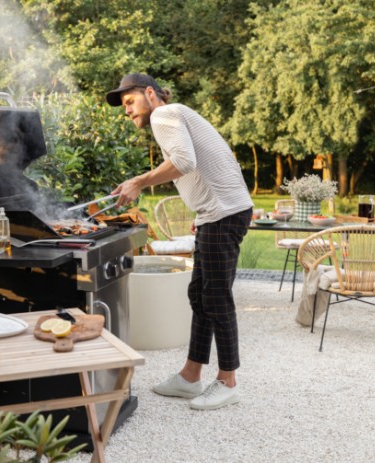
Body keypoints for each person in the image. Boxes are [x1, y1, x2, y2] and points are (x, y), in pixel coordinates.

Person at [106, 73, 254, 410]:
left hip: (223, 214)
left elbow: (184, 162)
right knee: (200, 294)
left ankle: (227, 381)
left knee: (215, 297)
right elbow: (206, 159)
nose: (127, 111)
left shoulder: (164, 114)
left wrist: (139, 182)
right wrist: (202, 206)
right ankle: (190, 377)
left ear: (149, 93)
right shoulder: (177, 115)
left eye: (130, 101)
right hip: (216, 213)